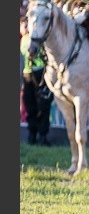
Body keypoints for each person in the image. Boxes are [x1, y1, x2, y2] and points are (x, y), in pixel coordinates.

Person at [20, 16, 53, 146]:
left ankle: (42, 135)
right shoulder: (24, 39)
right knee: (30, 105)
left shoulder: (40, 39)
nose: (26, 27)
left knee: (43, 105)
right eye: (24, 24)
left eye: (27, 24)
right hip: (28, 74)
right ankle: (32, 134)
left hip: (41, 73)